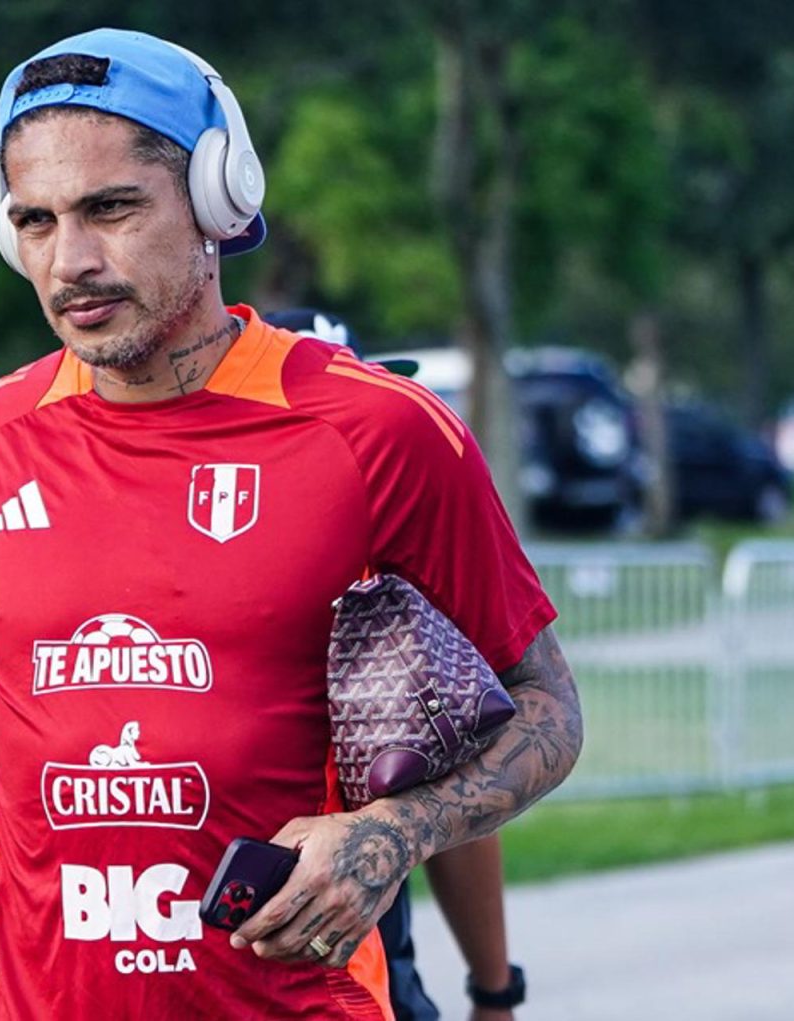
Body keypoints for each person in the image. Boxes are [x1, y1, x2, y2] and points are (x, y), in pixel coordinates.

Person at [0, 27, 582, 1020]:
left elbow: (545, 708)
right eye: (34, 221)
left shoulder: (378, 430)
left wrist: (392, 833)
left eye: (111, 208)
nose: (69, 260)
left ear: (214, 198)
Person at [266, 307, 525, 1021]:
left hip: (358, 976)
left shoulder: (387, 590)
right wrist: (495, 987)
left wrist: (494, 986)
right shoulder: (375, 605)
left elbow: (457, 814)